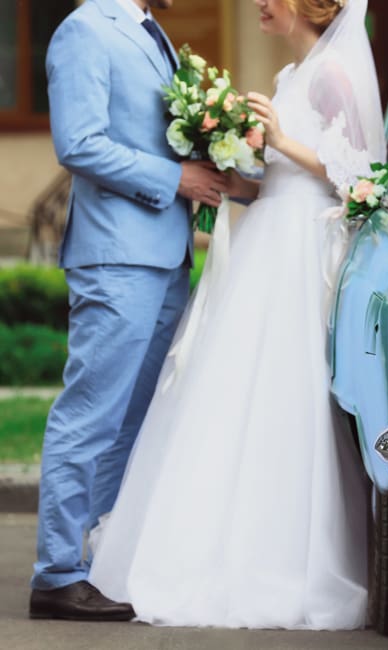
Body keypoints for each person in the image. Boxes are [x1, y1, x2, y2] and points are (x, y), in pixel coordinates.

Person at [87, 0, 386, 629]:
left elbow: (363, 180)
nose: (259, 4)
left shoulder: (334, 75)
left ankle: (288, 558)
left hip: (301, 249)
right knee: (228, 390)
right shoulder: (287, 79)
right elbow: (274, 179)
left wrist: (281, 142)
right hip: (265, 239)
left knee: (285, 392)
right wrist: (228, 166)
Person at [29, 0, 229, 621]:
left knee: (133, 421)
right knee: (90, 413)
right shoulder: (84, 30)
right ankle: (57, 573)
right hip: (115, 258)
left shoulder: (153, 31)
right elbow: (79, 144)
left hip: (165, 257)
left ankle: (101, 556)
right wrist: (177, 180)